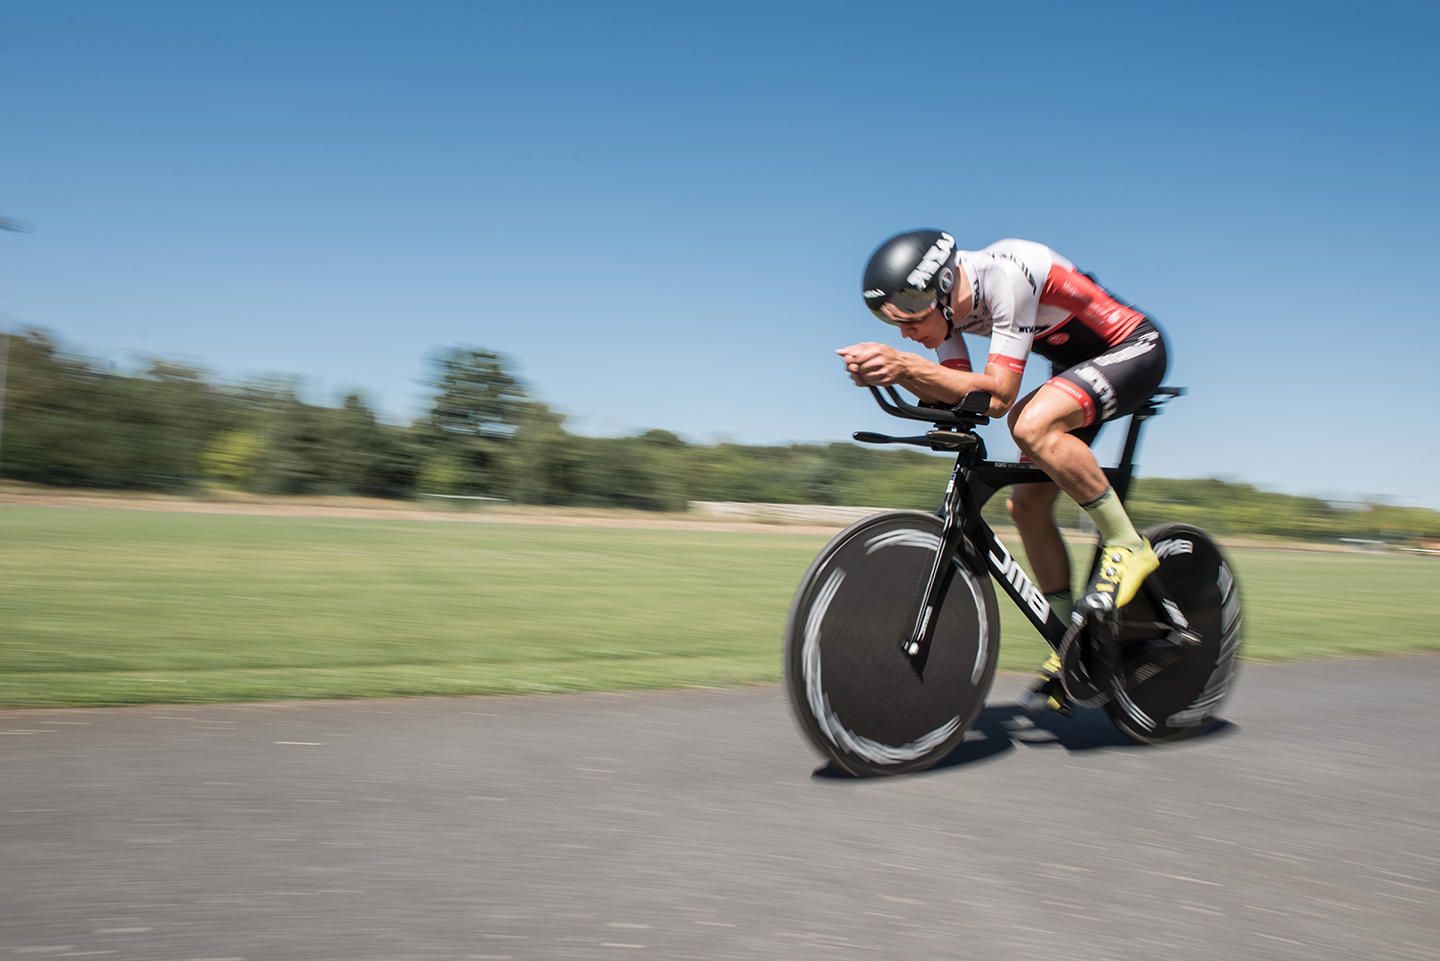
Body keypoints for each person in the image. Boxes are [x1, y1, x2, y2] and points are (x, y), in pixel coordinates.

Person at [837, 230, 1168, 713]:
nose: (905, 335)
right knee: (1027, 506)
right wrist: (897, 375)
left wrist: (905, 366)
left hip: (1132, 349)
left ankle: (1129, 545)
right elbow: (958, 393)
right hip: (1075, 368)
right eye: (896, 327)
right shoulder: (944, 310)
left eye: (909, 322)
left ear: (944, 288)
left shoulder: (1005, 277)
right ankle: (1072, 642)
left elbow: (997, 396)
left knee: (1027, 423)